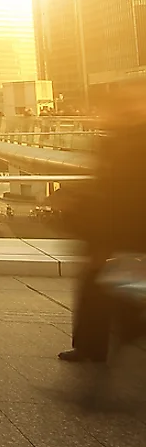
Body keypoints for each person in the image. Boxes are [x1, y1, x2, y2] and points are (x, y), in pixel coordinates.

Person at [58, 83, 146, 364]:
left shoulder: (134, 140)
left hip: (128, 230)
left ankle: (97, 344)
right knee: (100, 289)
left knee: (110, 290)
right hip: (110, 230)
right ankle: (92, 345)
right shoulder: (114, 139)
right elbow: (104, 183)